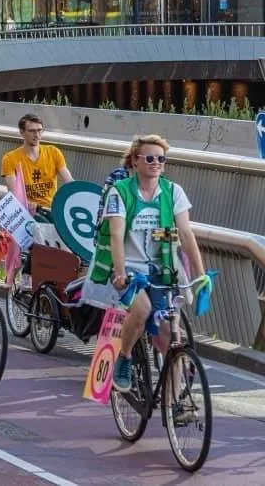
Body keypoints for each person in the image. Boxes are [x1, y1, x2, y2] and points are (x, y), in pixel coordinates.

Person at [95, 135, 206, 393]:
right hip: (129, 266)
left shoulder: (173, 192)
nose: (156, 163)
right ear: (135, 161)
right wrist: (120, 272)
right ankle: (124, 357)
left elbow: (186, 233)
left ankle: (174, 402)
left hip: (162, 267)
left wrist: (200, 274)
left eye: (161, 159)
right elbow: (116, 235)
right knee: (142, 309)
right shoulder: (120, 191)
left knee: (169, 333)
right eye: (149, 158)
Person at [0, 113, 73, 216]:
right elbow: (14, 193)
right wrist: (28, 204)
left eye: (39, 130)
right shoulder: (10, 159)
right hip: (26, 212)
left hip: (50, 210)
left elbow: (69, 181)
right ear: (22, 132)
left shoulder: (53, 152)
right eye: (32, 131)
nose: (37, 135)